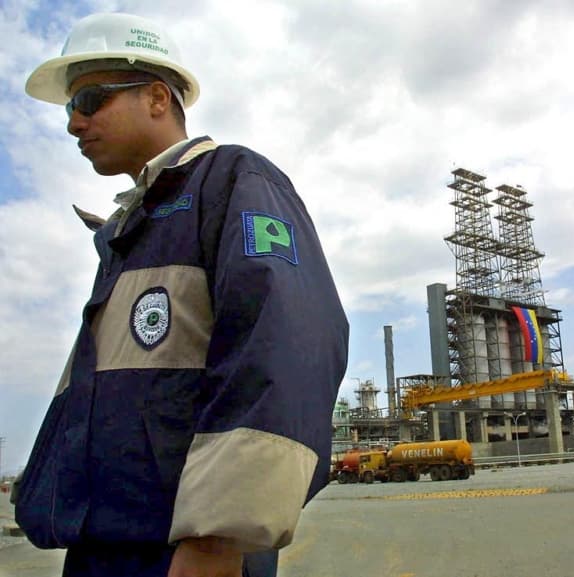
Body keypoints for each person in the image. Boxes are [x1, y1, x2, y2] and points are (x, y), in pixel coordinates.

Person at [14, 12, 349, 577]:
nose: (74, 123)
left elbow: (286, 342)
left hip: (183, 555)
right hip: (101, 550)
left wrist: (218, 540)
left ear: (155, 97)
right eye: (70, 108)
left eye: (90, 99)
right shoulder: (129, 230)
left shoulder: (232, 182)